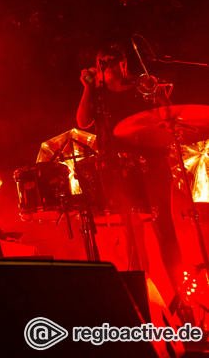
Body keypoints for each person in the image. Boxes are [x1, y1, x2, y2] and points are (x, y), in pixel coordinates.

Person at [76, 44, 183, 303]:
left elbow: (168, 113)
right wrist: (88, 87)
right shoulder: (98, 93)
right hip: (118, 169)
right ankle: (144, 298)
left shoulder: (142, 87)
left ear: (125, 64)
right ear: (99, 65)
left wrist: (159, 96)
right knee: (133, 234)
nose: (111, 66)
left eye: (117, 61)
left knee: (163, 227)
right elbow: (83, 121)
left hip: (152, 162)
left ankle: (181, 296)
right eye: (106, 62)